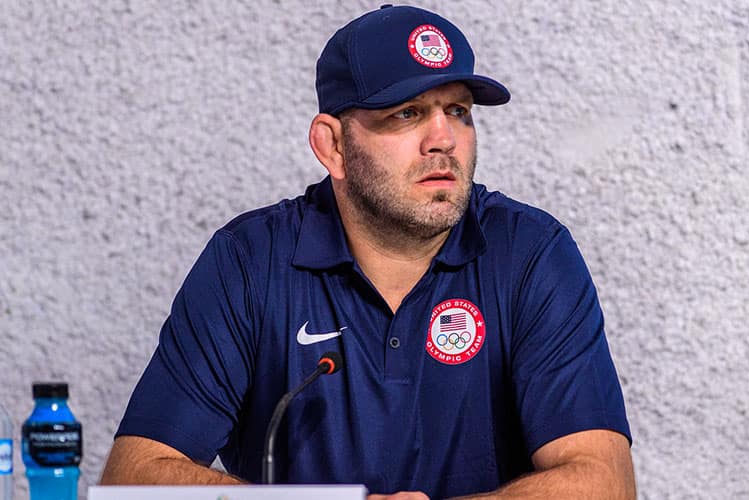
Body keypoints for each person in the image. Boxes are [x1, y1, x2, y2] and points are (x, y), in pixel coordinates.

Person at [101, 5, 635, 499]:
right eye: (406, 114)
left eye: (458, 110)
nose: (443, 139)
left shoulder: (529, 253)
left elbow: (603, 481)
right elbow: (134, 478)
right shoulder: (249, 262)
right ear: (332, 146)